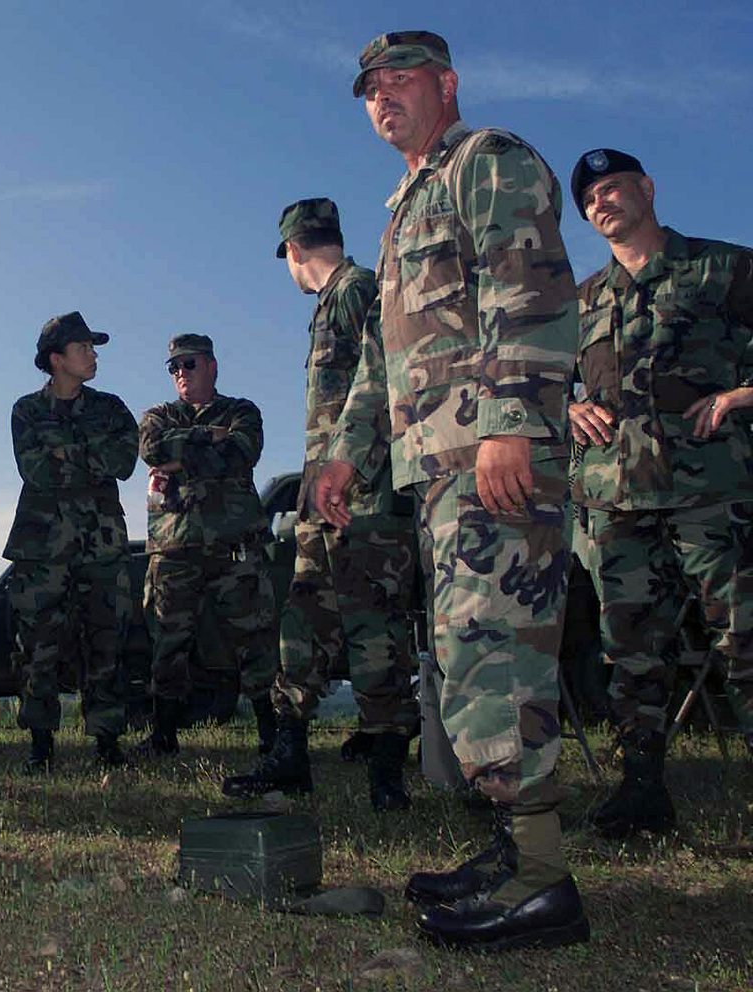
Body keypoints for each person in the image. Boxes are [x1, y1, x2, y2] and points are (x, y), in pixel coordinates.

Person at [317, 32, 585, 950]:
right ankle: (518, 855)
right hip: (438, 471)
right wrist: (347, 453)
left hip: (491, 460)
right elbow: (384, 357)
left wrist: (511, 420)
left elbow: (532, 287)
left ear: (446, 83)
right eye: (369, 89)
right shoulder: (403, 211)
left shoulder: (488, 162)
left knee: (499, 665)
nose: (382, 97)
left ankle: (542, 881)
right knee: (472, 663)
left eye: (399, 79)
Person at [565, 148, 753, 838]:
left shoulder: (723, 267)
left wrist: (742, 394)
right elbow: (543, 381)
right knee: (631, 650)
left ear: (646, 189)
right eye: (590, 200)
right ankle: (641, 791)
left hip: (712, 490)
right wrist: (568, 409)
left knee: (744, 637)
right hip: (618, 500)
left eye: (613, 188)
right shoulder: (585, 301)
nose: (602, 204)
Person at [224, 199, 421, 811]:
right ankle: (290, 755)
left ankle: (387, 770)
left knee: (374, 627)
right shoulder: (333, 302)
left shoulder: (361, 290)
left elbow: (392, 382)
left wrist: (354, 476)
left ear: (292, 250)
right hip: (324, 501)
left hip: (366, 497)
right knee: (304, 621)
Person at [3, 312, 138, 771]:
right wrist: (88, 458)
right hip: (42, 549)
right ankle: (40, 745)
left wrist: (66, 456)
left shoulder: (112, 408)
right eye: (84, 348)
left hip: (101, 544)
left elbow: (124, 460)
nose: (94, 354)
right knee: (37, 647)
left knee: (106, 642)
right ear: (56, 358)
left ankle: (107, 742)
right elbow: (34, 469)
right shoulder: (27, 410)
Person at [138, 334, 276, 756]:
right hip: (174, 548)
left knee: (254, 639)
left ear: (212, 365)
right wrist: (207, 438)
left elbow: (240, 453)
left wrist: (184, 453)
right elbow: (151, 450)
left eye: (189, 364)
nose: (181, 372)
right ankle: (163, 735)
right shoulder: (160, 414)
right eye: (174, 367)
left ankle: (273, 733)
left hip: (233, 545)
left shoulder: (241, 411)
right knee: (168, 641)